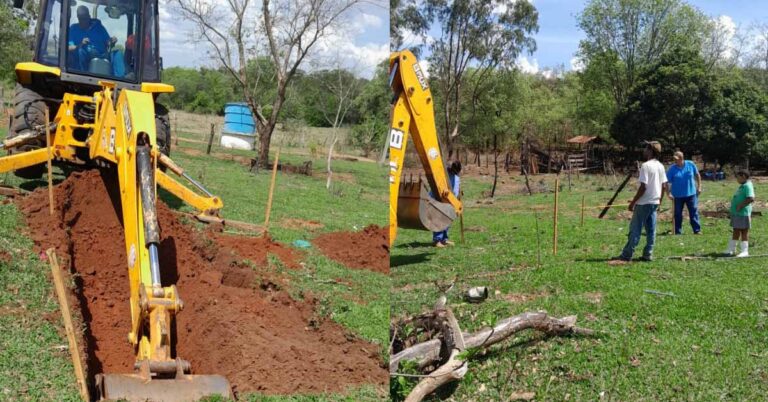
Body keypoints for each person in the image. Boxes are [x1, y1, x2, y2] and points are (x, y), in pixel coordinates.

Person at [613, 141, 668, 262]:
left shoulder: (646, 166)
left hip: (644, 203)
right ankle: (648, 254)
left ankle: (627, 255)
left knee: (635, 229)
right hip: (654, 202)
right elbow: (664, 186)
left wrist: (633, 202)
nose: (644, 150)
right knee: (651, 230)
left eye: (645, 148)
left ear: (650, 150)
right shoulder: (660, 166)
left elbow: (643, 187)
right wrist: (660, 201)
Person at [67, 6, 116, 71]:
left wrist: (111, 41)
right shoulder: (73, 29)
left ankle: (121, 78)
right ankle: (83, 76)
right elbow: (68, 47)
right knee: (81, 51)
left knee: (117, 54)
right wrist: (80, 45)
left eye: (85, 18)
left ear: (89, 16)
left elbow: (108, 42)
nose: (83, 21)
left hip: (102, 55)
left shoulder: (98, 27)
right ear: (78, 18)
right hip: (85, 57)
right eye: (81, 19)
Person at [666, 151, 702, 235]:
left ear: (682, 158)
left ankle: (697, 230)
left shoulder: (690, 164)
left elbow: (697, 175)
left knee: (693, 212)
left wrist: (699, 186)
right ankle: (677, 231)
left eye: (677, 159)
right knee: (677, 214)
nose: (675, 161)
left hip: (691, 194)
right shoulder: (672, 169)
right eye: (674, 159)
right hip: (677, 195)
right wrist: (668, 193)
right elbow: (666, 182)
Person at [725, 171, 755, 257]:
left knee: (744, 231)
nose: (737, 179)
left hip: (743, 213)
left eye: (738, 177)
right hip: (737, 213)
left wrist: (740, 206)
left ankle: (745, 251)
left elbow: (751, 198)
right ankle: (731, 249)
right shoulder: (742, 186)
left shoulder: (748, 186)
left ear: (743, 176)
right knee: (736, 230)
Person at [433, 161, 461, 248]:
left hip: (452, 202)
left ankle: (444, 239)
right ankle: (437, 240)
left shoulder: (457, 177)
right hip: (441, 200)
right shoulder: (444, 175)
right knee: (440, 220)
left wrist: (458, 196)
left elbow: (456, 188)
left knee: (448, 220)